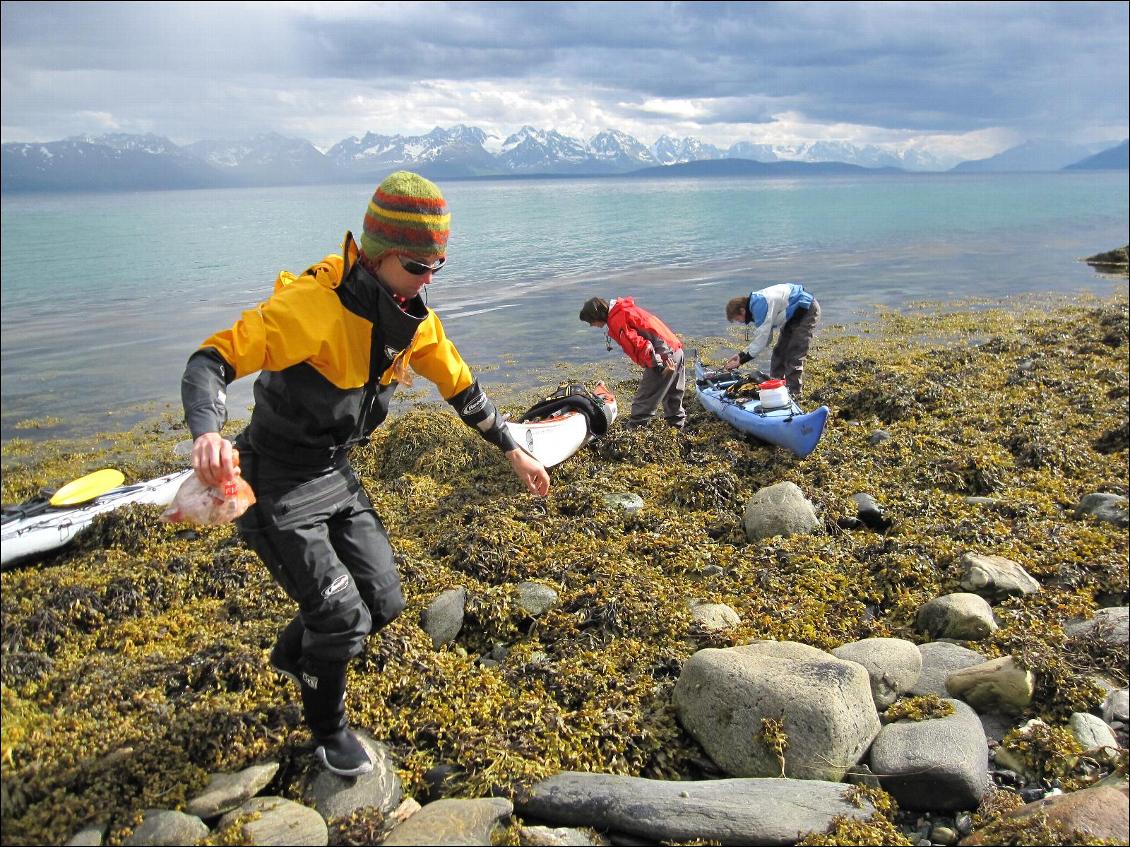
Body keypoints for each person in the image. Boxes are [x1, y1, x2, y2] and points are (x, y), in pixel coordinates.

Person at [181, 171, 550, 777]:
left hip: (334, 472)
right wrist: (207, 434)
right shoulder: (309, 308)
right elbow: (211, 361)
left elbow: (462, 387)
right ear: (377, 256)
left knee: (382, 601)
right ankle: (327, 731)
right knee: (341, 617)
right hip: (274, 480)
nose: (428, 279)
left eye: (439, 266)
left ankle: (293, 659)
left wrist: (514, 449)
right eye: (417, 265)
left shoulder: (413, 318)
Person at [579, 296, 686, 429]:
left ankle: (634, 431)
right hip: (675, 349)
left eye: (591, 322)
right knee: (673, 398)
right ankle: (678, 429)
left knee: (643, 402)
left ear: (596, 316)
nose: (591, 326)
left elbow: (641, 346)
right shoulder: (624, 310)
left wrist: (660, 367)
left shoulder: (617, 320)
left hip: (663, 357)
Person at [723, 283, 820, 398]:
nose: (740, 322)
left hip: (806, 310)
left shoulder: (760, 306)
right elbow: (766, 337)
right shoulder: (755, 305)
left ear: (742, 310)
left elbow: (763, 339)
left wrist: (742, 360)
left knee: (794, 354)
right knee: (779, 351)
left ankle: (795, 394)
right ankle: (775, 386)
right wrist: (741, 355)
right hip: (793, 315)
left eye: (737, 319)